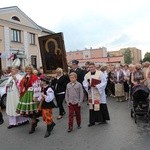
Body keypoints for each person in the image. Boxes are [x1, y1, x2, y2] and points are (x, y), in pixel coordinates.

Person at [16, 65, 41, 134]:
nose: (28, 71)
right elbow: (21, 84)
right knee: (28, 111)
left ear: (31, 70)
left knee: (32, 111)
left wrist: (35, 96)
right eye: (27, 69)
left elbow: (36, 87)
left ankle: (33, 126)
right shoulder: (25, 77)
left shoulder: (34, 77)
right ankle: (34, 121)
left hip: (32, 94)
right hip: (26, 94)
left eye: (29, 69)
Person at [83, 62, 110, 127]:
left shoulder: (100, 73)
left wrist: (97, 86)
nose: (91, 68)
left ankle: (103, 119)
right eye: (89, 67)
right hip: (91, 93)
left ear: (94, 67)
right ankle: (92, 121)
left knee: (101, 105)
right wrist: (88, 85)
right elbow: (84, 83)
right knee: (92, 106)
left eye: (92, 67)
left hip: (99, 93)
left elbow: (104, 82)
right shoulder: (87, 75)